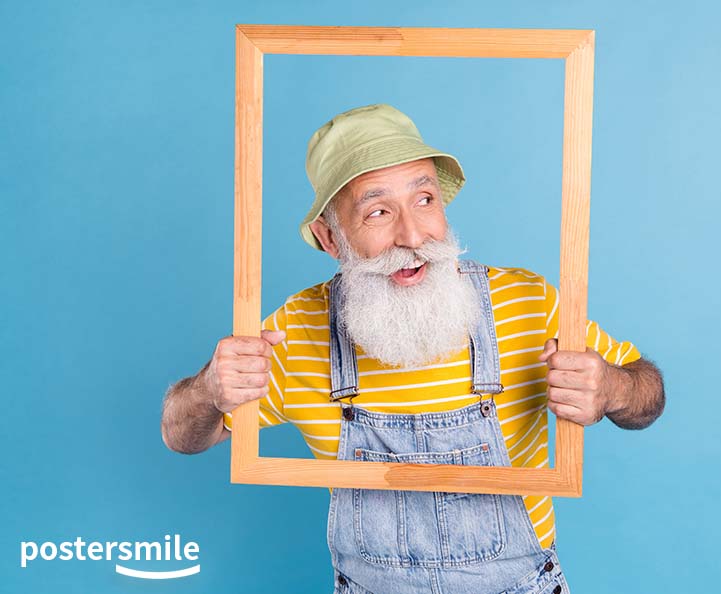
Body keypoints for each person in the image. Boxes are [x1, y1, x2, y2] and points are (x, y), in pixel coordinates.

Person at [161, 104, 665, 594]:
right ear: (329, 238)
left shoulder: (526, 302)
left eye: (424, 199)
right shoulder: (294, 332)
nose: (413, 235)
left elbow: (647, 396)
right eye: (377, 211)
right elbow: (181, 434)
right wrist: (209, 390)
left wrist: (614, 387)